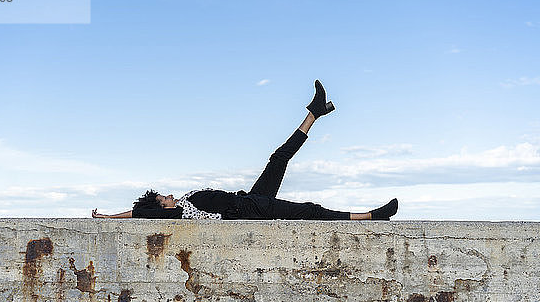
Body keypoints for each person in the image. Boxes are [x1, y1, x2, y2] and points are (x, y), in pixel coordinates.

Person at [92, 80, 398, 221]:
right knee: (308, 209)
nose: (169, 195)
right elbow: (138, 213)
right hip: (248, 211)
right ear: (161, 208)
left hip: (248, 199)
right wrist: (107, 217)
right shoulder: (172, 215)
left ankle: (314, 113)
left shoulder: (185, 202)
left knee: (278, 158)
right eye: (163, 198)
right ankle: (370, 216)